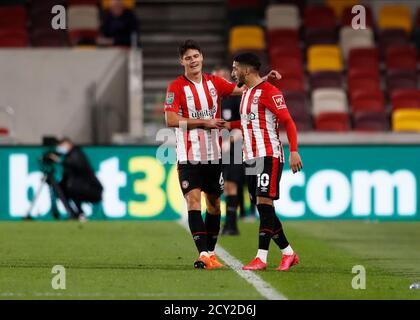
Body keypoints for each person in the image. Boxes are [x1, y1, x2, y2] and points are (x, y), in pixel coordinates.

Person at [164, 40, 281, 269]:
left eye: (196, 56)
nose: (193, 60)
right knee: (193, 201)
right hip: (189, 156)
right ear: (182, 61)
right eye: (188, 58)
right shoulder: (176, 87)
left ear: (202, 57)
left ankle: (211, 253)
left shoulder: (214, 83)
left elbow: (244, 87)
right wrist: (203, 122)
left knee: (214, 205)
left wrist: (265, 79)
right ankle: (204, 254)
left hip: (214, 156)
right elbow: (170, 120)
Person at [227, 52, 303, 271]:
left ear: (247, 69)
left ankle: (261, 258)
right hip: (250, 158)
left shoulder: (270, 92)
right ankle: (288, 253)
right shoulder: (247, 93)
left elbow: (288, 122)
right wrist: (224, 125)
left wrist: (294, 151)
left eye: (235, 68)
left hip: (268, 155)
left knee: (265, 203)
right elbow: (246, 124)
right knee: (263, 207)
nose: (233, 72)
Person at [212, 65, 244, 236]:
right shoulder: (210, 98)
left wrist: (229, 140)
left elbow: (243, 123)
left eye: (225, 75)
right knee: (216, 187)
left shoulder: (235, 98)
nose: (222, 79)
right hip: (212, 148)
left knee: (231, 184)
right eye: (219, 76)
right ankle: (220, 223)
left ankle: (231, 225)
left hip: (233, 147)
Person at [48, 138, 103, 220]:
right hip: (82, 188)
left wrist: (59, 161)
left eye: (61, 146)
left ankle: (79, 214)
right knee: (62, 190)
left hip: (92, 189)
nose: (60, 149)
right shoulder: (69, 156)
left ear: (68, 144)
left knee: (73, 188)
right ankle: (75, 214)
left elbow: (77, 165)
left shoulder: (76, 154)